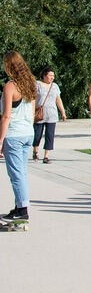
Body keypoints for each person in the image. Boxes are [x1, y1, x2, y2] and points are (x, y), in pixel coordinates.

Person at [1, 52, 37, 224]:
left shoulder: (10, 86)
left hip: (14, 134)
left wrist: (0, 140)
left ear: (9, 66)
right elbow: (32, 111)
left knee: (16, 174)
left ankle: (22, 210)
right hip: (28, 132)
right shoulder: (30, 84)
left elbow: (6, 116)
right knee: (21, 172)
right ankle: (18, 206)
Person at [32, 66, 66, 164]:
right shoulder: (37, 84)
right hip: (40, 114)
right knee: (37, 135)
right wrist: (32, 112)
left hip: (52, 115)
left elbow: (58, 99)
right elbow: (32, 99)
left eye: (53, 76)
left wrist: (63, 112)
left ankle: (46, 156)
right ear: (44, 76)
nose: (52, 77)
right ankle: (35, 150)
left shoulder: (55, 86)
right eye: (50, 75)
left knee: (49, 136)